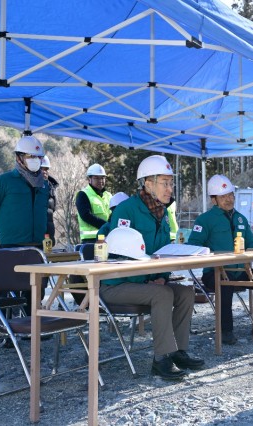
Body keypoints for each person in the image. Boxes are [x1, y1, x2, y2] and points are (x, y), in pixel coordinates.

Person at [106, 155, 203, 380]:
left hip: (146, 282)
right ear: (148, 184)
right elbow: (117, 256)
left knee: (186, 292)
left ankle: (178, 351)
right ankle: (161, 359)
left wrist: (161, 275)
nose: (170, 189)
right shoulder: (126, 211)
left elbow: (161, 252)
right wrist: (148, 281)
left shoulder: (163, 213)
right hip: (117, 283)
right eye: (165, 183)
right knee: (162, 294)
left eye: (171, 183)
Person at [187, 174, 253, 345]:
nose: (229, 199)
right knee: (225, 281)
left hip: (242, 271)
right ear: (213, 200)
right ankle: (226, 331)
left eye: (231, 195)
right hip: (215, 273)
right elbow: (193, 246)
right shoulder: (205, 220)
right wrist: (213, 256)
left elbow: (252, 246)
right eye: (223, 196)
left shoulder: (241, 218)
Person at [0, 135, 49, 248]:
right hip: (11, 243)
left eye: (39, 157)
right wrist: (3, 230)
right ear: (19, 158)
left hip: (38, 243)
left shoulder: (44, 183)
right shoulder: (2, 181)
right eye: (31, 156)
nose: (36, 160)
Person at [76, 163, 111, 244]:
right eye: (96, 178)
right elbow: (86, 216)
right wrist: (106, 226)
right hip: (91, 240)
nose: (100, 181)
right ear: (89, 179)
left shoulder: (108, 195)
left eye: (102, 178)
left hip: (108, 237)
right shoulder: (83, 194)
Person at [41, 155, 59, 244]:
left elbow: (52, 211)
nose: (44, 172)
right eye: (41, 169)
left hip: (48, 239)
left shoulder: (51, 188)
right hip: (34, 240)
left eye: (46, 169)